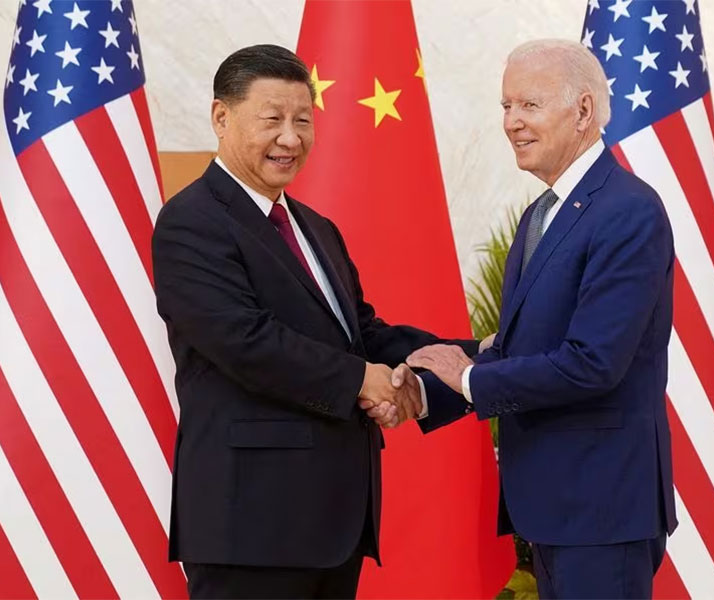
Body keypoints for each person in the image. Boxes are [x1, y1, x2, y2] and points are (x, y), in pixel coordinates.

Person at [152, 44, 474, 599]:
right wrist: (361, 380)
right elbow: (246, 342)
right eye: (272, 119)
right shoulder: (190, 223)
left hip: (333, 522)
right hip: (250, 528)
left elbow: (360, 333)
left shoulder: (315, 227)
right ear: (221, 117)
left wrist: (461, 358)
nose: (291, 138)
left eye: (303, 120)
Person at [402, 39, 678, 599]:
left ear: (581, 111)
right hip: (556, 506)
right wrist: (427, 391)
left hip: (602, 510)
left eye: (528, 105)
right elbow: (520, 346)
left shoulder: (628, 211)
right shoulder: (541, 214)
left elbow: (592, 364)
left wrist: (469, 378)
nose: (511, 123)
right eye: (506, 107)